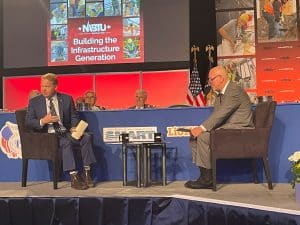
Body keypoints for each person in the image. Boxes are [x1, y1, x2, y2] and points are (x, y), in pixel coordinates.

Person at [185, 66, 254, 189]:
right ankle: (205, 176)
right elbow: (218, 118)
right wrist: (200, 129)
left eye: (211, 79)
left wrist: (201, 128)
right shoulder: (219, 95)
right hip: (228, 129)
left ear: (221, 78)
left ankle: (207, 180)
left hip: (240, 131)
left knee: (203, 137)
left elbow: (221, 114)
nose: (209, 82)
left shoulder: (234, 90)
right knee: (194, 138)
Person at [25, 73, 96, 190]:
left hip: (65, 132)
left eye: (47, 86)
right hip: (48, 135)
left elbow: (74, 116)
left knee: (87, 137)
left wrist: (74, 127)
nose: (43, 89)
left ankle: (87, 173)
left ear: (55, 87)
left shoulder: (67, 99)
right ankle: (74, 177)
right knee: (65, 142)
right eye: (42, 86)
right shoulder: (35, 102)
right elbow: (28, 121)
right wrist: (43, 120)